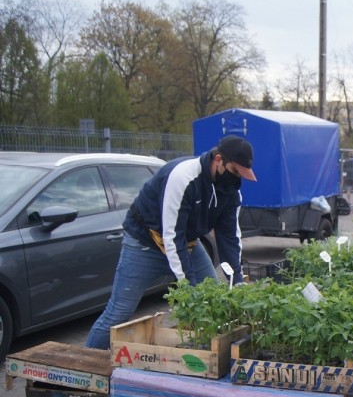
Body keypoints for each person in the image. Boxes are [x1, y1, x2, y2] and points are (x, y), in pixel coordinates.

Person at [86, 136, 256, 349]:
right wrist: (189, 287)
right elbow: (172, 237)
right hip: (145, 243)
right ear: (219, 160)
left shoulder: (231, 193)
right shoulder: (183, 177)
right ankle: (84, 362)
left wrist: (237, 278)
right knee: (119, 312)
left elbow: (229, 237)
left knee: (213, 301)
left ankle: (200, 358)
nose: (237, 179)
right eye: (235, 171)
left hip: (188, 244)